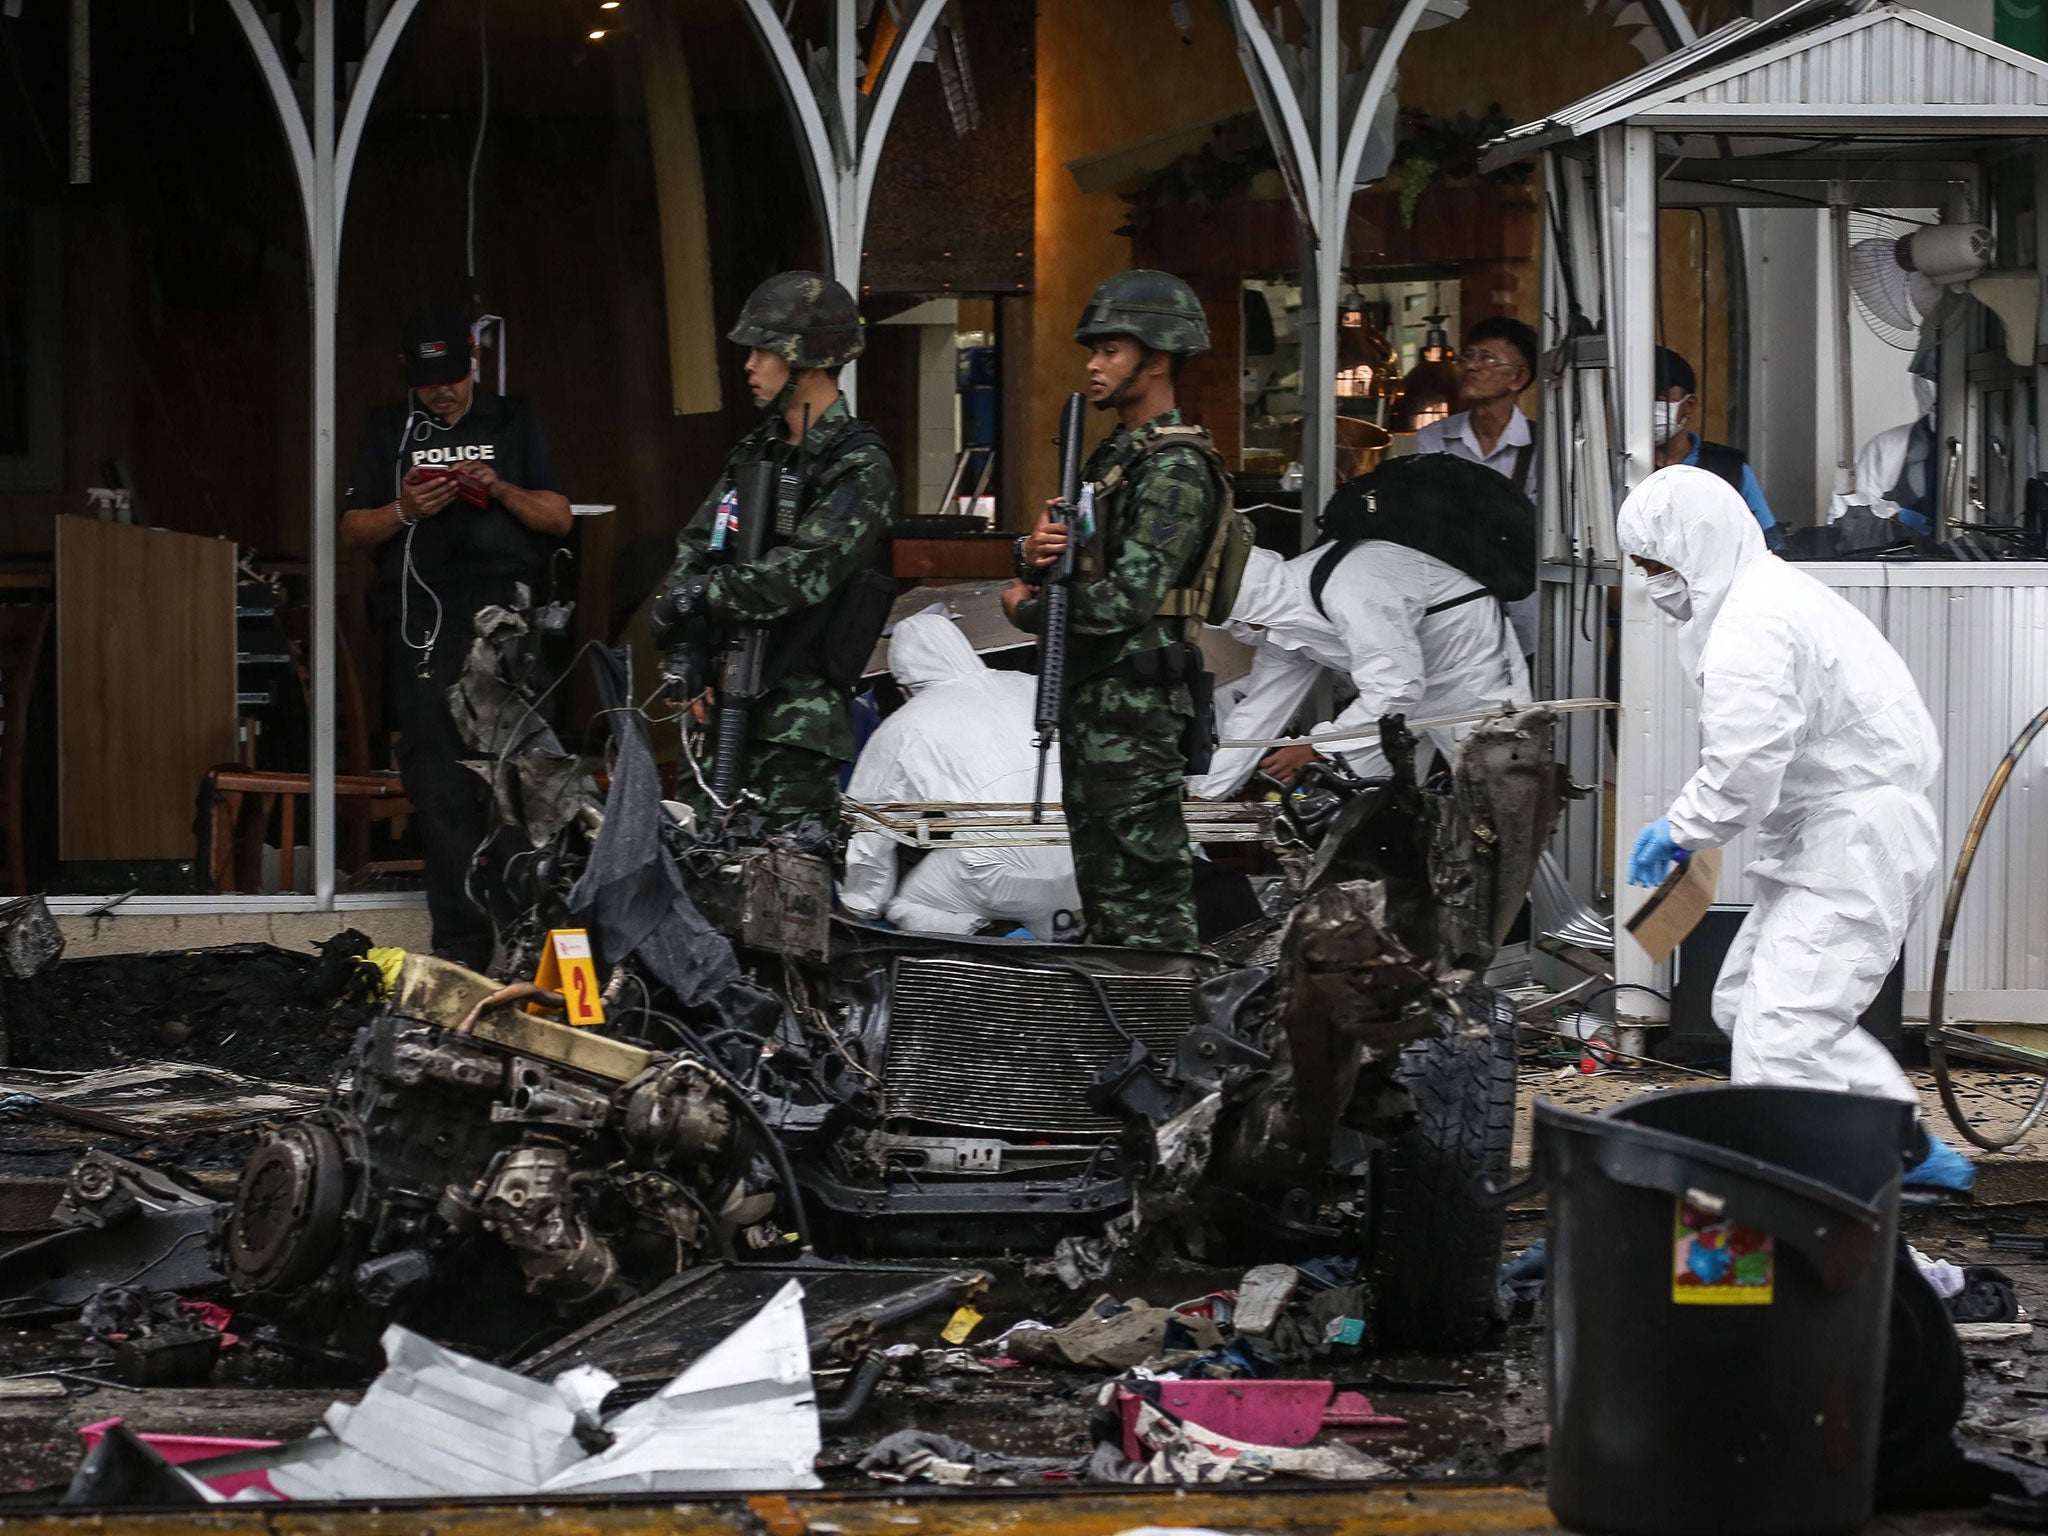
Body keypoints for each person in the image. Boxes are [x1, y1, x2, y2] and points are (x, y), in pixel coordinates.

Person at [1620, 465, 1971, 1192]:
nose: (1654, 584)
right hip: (1832, 837)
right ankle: (1895, 1142)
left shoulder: (1754, 622)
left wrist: (1683, 827)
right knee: (1744, 1006)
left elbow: (1747, 762)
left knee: (1779, 1041)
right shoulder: (1766, 595)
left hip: (1854, 841)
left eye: (1657, 565)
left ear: (1696, 545)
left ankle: (1798, 1231)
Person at [341, 307, 573, 970]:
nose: (440, 392)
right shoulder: (389, 429)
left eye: (450, 376)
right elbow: (352, 529)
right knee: (439, 788)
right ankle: (462, 953)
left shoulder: (511, 419)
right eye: (426, 380)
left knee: (521, 785)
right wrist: (405, 509)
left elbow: (557, 517)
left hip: (508, 621)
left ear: (473, 360)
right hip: (423, 623)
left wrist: (497, 487)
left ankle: (531, 946)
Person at [1002, 270, 1225, 951]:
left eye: (1112, 352)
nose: (1093, 366)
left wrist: (1026, 612)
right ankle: (1125, 1035)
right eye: (1092, 351)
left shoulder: (1175, 471)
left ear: (1156, 362)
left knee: (1147, 900)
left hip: (1137, 712)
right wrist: (1032, 553)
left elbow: (1127, 599)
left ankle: (1167, 1038)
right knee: (1106, 893)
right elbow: (1077, 562)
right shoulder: (1119, 459)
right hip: (1100, 704)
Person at [656, 272, 897, 830]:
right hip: (718, 704)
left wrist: (700, 596)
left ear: (807, 358)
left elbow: (800, 575)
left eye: (764, 351)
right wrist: (688, 650)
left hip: (794, 720)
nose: (749, 365)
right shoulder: (758, 451)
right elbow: (700, 545)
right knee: (697, 868)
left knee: (777, 888)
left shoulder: (858, 467)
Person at [1205, 508, 1531, 798]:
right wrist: (1203, 796)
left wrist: (1319, 749)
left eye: (1239, 627)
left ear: (1247, 617)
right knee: (1372, 814)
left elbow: (1396, 689)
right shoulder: (1284, 624)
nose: (1243, 637)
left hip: (1468, 669)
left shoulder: (1347, 588)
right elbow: (1258, 716)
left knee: (1497, 805)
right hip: (1405, 690)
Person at [841, 611, 1081, 937]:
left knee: (905, 905)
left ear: (904, 684)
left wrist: (859, 905)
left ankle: (985, 934)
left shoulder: (903, 724)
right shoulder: (1032, 686)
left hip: (998, 880)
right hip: (1082, 864)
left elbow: (872, 830)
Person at [1414, 316, 1541, 654]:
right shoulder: (1434, 438)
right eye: (1468, 357)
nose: (1471, 367)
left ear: (1518, 377)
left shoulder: (1544, 447)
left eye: (1486, 359)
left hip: (1521, 616)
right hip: (1449, 611)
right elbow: (1430, 520)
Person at [1653, 347, 1782, 547]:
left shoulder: (1729, 469)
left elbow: (1769, 546)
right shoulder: (1610, 470)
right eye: (1642, 396)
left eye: (1660, 396)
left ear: (1690, 404)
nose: (1650, 405)